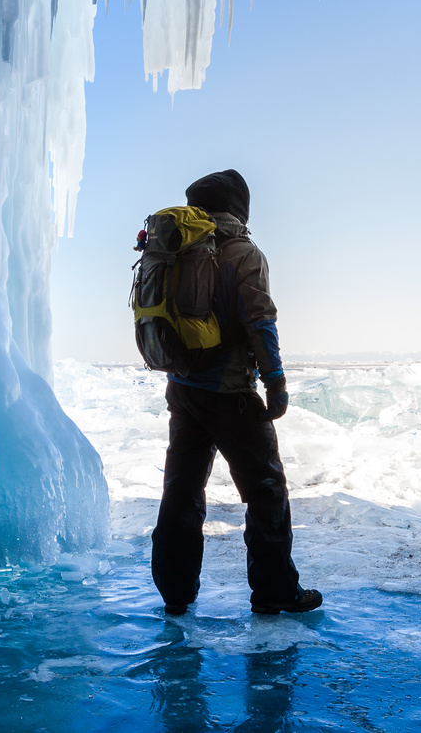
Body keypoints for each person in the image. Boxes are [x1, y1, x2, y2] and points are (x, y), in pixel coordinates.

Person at [150, 169, 323, 617]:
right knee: (266, 490)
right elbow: (261, 322)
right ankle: (275, 590)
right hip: (230, 392)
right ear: (239, 208)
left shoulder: (175, 248)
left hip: (182, 390)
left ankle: (175, 593)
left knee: (181, 491)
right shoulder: (244, 253)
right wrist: (276, 382)